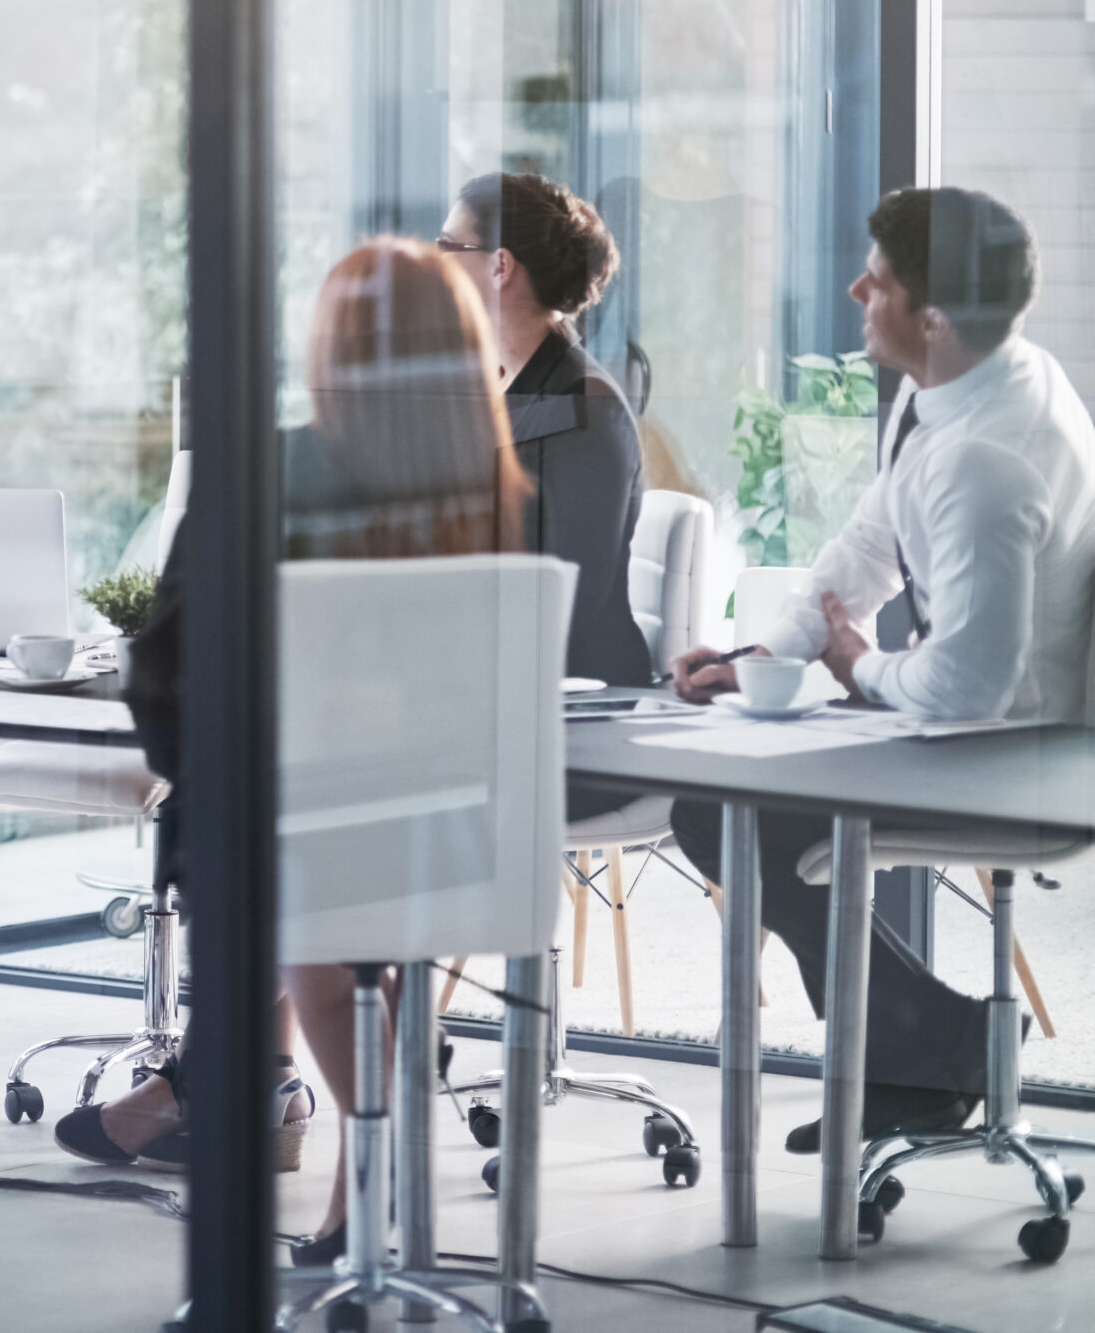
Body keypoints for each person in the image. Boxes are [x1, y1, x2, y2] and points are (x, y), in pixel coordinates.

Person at [74, 239, 533, 1265]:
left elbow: (168, 662)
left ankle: (355, 1173)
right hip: (455, 837)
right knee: (370, 945)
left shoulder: (269, 472)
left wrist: (197, 771)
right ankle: (362, 1192)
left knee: (312, 947)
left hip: (302, 832)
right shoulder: (493, 488)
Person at [666, 186, 1095, 1150]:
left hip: (1015, 753)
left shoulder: (987, 459)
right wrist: (762, 660)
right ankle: (933, 1047)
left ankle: (931, 1047)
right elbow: (863, 553)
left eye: (882, 282)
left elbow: (964, 689)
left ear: (933, 319)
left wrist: (860, 668)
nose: (858, 287)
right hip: (969, 727)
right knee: (720, 799)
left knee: (725, 811)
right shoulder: (954, 388)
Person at [439, 172, 653, 689]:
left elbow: (567, 597)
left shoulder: (585, 407)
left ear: (499, 266)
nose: (434, 262)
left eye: (447, 245)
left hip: (576, 697)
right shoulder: (494, 386)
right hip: (508, 678)